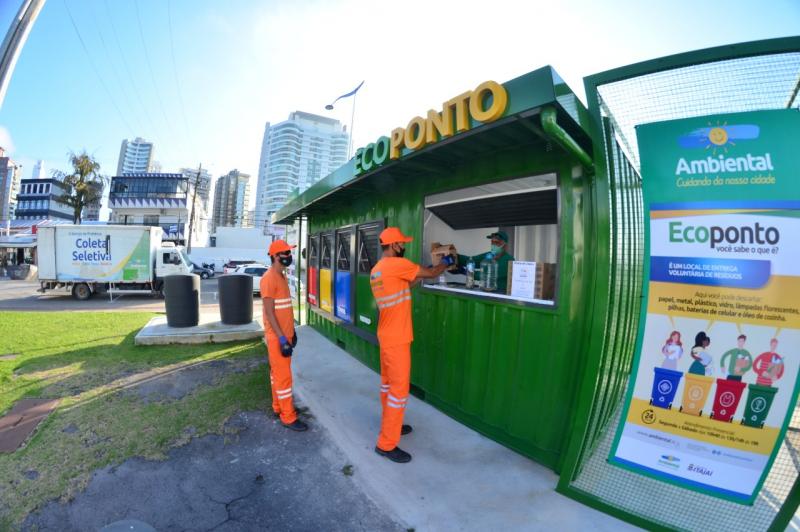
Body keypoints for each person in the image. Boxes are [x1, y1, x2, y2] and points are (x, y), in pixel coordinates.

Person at [370, 227, 452, 463]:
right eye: (402, 244)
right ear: (394, 246)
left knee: (387, 386)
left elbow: (406, 286)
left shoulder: (378, 270)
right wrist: (444, 262)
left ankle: (391, 425)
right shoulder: (397, 264)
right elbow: (433, 272)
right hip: (397, 339)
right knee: (398, 391)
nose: (404, 247)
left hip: (386, 336)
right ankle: (386, 444)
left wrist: (423, 271)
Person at [260, 239, 306, 432]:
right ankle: (288, 417)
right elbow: (269, 313)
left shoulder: (281, 276)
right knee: (284, 377)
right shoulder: (269, 278)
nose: (289, 256)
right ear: (275, 256)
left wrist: (292, 332)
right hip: (277, 338)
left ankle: (278, 407)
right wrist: (281, 339)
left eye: (289, 253)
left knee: (277, 376)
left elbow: (285, 308)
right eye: (285, 254)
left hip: (285, 335)